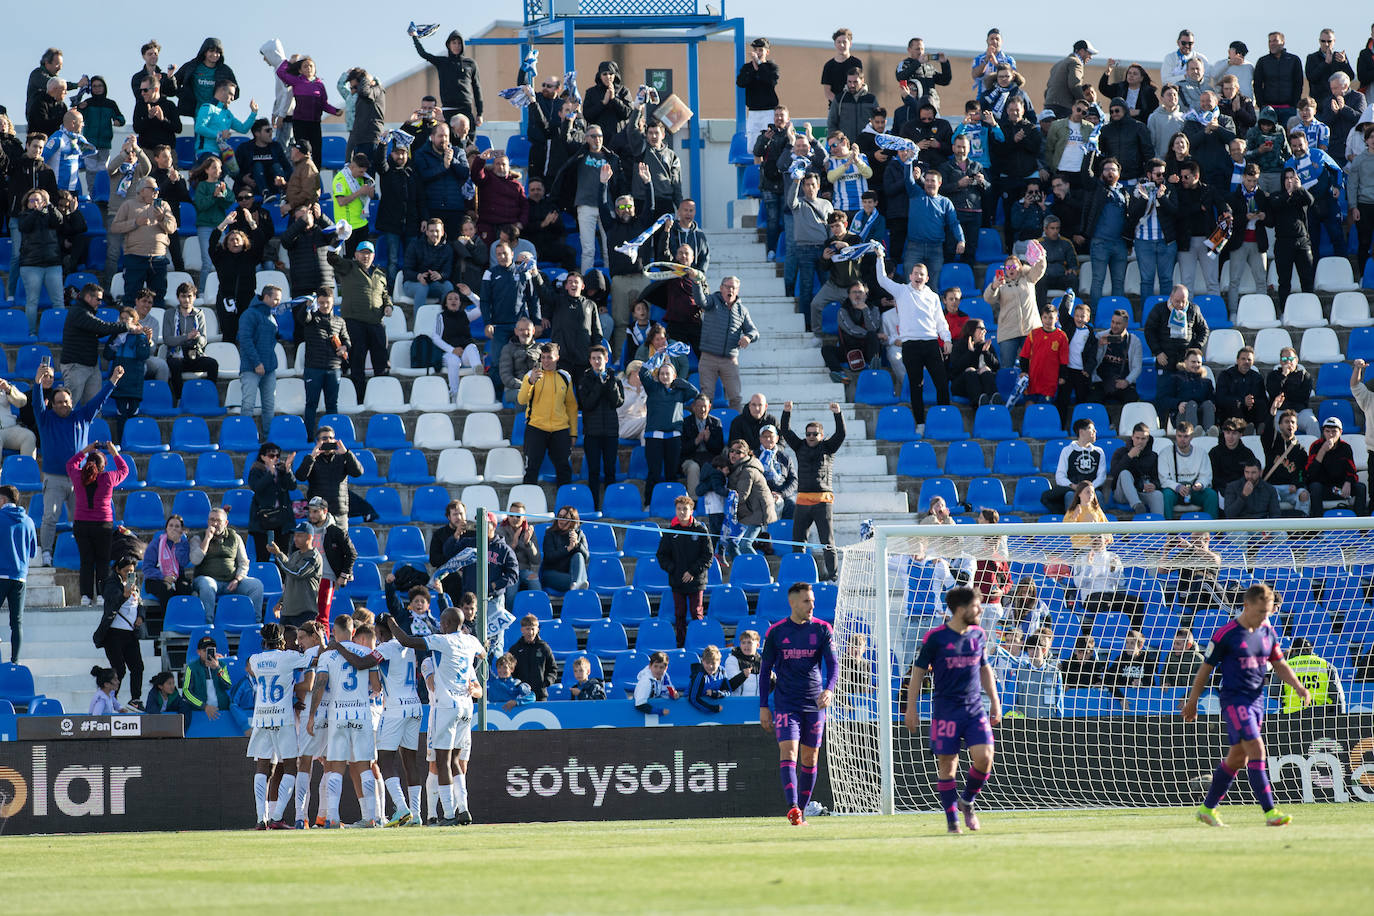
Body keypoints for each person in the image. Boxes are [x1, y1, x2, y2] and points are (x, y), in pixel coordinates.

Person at [1184, 583, 1309, 827]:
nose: (1266, 616)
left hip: (1256, 700)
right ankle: (1270, 813)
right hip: (1233, 700)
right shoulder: (1226, 634)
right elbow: (1205, 670)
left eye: (1269, 611)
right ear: (1246, 605)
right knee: (1257, 750)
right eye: (1261, 611)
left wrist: (1298, 686)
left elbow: (1280, 664)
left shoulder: (1268, 632)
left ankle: (1206, 809)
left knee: (1237, 759)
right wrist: (1193, 701)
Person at [902, 587, 999, 834]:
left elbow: (984, 668)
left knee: (985, 758)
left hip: (975, 708)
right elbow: (918, 673)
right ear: (961, 609)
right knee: (947, 766)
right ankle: (952, 820)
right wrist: (910, 707)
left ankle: (966, 800)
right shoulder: (935, 638)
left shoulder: (978, 634)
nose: (980, 610)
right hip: (946, 710)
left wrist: (995, 701)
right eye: (976, 606)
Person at [759, 583, 838, 826]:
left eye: (812, 601)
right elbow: (764, 671)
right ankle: (793, 807)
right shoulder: (776, 632)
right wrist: (764, 705)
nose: (811, 605)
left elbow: (833, 664)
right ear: (792, 603)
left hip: (814, 703)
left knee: (810, 757)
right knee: (789, 752)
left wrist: (829, 689)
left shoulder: (823, 629)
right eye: (806, 601)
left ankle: (801, 811)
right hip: (786, 703)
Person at [307, 616, 384, 828]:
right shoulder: (367, 652)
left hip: (338, 714)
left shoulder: (328, 655)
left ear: (334, 630)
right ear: (353, 631)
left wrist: (312, 716)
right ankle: (370, 817)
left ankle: (332, 817)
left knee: (336, 767)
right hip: (361, 713)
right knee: (364, 767)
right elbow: (376, 687)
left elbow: (319, 686)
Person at [243, 622, 310, 828]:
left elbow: (249, 668)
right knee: (291, 766)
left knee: (263, 766)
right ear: (281, 641)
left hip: (262, 718)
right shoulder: (287, 657)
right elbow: (310, 658)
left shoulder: (255, 659)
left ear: (263, 641)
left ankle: (260, 818)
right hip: (283, 718)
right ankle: (277, 816)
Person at [874, 251, 949, 433]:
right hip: (910, 345)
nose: (918, 276)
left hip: (931, 343)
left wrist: (947, 339)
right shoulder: (901, 291)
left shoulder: (933, 296)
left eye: (921, 274)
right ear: (910, 276)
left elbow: (940, 320)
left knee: (941, 382)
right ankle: (920, 424)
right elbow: (882, 279)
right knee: (916, 385)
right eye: (915, 273)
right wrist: (880, 257)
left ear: (927, 277)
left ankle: (945, 420)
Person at [779, 402, 845, 581]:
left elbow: (841, 434)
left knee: (827, 542)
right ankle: (799, 574)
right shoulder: (800, 446)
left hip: (822, 501)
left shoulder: (828, 448)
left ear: (822, 435)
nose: (810, 436)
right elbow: (785, 430)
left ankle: (833, 575)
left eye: (815, 434)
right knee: (797, 542)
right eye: (808, 433)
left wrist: (837, 414)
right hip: (802, 501)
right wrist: (787, 411)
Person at [328, 241, 392, 400]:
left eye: (369, 253)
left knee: (381, 363)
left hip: (376, 323)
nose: (366, 256)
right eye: (362, 253)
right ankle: (360, 399)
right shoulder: (348, 267)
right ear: (356, 255)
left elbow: (385, 294)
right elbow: (332, 258)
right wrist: (338, 239)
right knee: (357, 362)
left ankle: (381, 398)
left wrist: (389, 305)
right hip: (354, 323)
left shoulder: (380, 274)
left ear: (373, 255)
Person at [67, 441, 128, 607]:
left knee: (86, 561)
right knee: (102, 561)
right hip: (103, 525)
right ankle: (101, 595)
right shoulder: (108, 478)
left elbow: (70, 463)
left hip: (81, 524)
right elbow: (124, 470)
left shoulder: (79, 476)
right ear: (103, 467)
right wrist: (114, 452)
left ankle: (85, 597)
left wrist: (86, 450)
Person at [654, 492, 713, 647]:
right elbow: (661, 555)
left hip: (696, 581)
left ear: (691, 511)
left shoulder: (700, 530)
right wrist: (674, 569)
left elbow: (708, 556)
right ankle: (681, 644)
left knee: (696, 614)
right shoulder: (670, 532)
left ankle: (699, 644)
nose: (682, 512)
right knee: (679, 615)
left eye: (685, 509)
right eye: (679, 509)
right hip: (677, 580)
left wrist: (692, 572)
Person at [639, 349, 700, 500]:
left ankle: (673, 502)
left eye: (668, 374)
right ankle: (649, 502)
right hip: (654, 437)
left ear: (674, 376)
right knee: (654, 471)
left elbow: (694, 392)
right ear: (658, 376)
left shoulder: (679, 391)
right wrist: (657, 357)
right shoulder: (653, 388)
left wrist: (679, 381)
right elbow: (643, 373)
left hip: (673, 437)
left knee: (671, 472)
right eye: (662, 373)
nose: (665, 376)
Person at [190, 507, 265, 624]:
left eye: (218, 520)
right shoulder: (198, 537)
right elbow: (195, 560)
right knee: (207, 585)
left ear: (225, 523)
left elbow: (244, 563)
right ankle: (208, 624)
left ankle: (255, 623)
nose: (214, 523)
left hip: (232, 582)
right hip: (208, 580)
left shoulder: (235, 537)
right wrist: (207, 539)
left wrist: (237, 579)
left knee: (256, 585)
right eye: (211, 520)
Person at [519, 342, 579, 487]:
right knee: (531, 468)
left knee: (564, 468)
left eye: (549, 357)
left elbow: (571, 405)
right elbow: (521, 400)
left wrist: (573, 433)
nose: (546, 361)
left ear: (557, 358)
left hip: (560, 429)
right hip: (536, 427)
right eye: (543, 357)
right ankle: (528, 505)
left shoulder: (565, 377)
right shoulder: (531, 375)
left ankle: (565, 507)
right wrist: (530, 382)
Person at [698, 277, 758, 411]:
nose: (730, 290)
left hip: (730, 361)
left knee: (735, 397)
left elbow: (754, 331)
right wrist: (696, 283)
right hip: (709, 358)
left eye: (734, 288)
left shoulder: (742, 310)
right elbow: (700, 300)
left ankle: (737, 429)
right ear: (721, 288)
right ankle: (706, 428)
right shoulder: (712, 301)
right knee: (706, 397)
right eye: (727, 287)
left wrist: (748, 337)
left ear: (737, 291)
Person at [982, 251, 1047, 368]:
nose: (1010, 269)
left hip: (1030, 330)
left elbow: (1040, 269)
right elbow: (988, 299)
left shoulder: (1028, 277)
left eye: (1013, 266)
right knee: (1007, 367)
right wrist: (994, 286)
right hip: (1008, 333)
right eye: (1008, 267)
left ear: (1020, 268)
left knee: (1035, 366)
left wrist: (1041, 256)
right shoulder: (1000, 282)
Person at [299, 496, 356, 625]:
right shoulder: (304, 530)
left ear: (325, 511)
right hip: (305, 578)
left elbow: (352, 553)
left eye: (315, 511)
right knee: (305, 618)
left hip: (326, 577)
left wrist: (343, 574)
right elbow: (294, 553)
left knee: (322, 617)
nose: (311, 515)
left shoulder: (336, 531)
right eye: (310, 511)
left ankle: (322, 644)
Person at [0, 485, 38, 663]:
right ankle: (15, 660)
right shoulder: (29, 521)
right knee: (17, 622)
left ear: (2, 500)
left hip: (0, 574)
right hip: (20, 577)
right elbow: (32, 553)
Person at [297, 426, 364, 523]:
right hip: (318, 512)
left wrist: (346, 453)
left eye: (331, 438)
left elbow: (358, 473)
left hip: (339, 511)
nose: (328, 441)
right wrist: (312, 457)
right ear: (318, 442)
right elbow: (300, 477)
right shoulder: (311, 459)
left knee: (341, 538)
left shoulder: (343, 457)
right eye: (324, 438)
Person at [725, 440, 777, 559]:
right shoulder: (739, 468)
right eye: (732, 451)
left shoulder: (747, 471)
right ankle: (745, 570)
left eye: (738, 452)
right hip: (750, 512)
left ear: (747, 454)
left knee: (745, 545)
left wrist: (725, 493)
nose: (733, 454)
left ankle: (763, 574)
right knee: (734, 544)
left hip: (757, 512)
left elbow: (742, 496)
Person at [1307, 416, 1367, 516]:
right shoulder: (1316, 446)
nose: (1330, 435)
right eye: (1327, 431)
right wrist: (1322, 451)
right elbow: (1310, 473)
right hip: (1323, 488)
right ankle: (1317, 526)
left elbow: (1352, 471)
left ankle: (1360, 525)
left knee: (1361, 487)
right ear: (1323, 432)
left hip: (1341, 488)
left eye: (1334, 431)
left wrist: (1348, 482)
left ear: (1340, 432)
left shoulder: (1345, 447)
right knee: (1315, 487)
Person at [246, 442, 297, 561]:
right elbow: (257, 487)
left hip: (282, 518)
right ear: (262, 456)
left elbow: (292, 486)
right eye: (271, 456)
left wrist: (288, 470)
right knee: (263, 555)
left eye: (277, 456)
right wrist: (270, 473)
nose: (274, 458)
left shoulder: (282, 470)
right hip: (263, 519)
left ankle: (283, 579)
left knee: (282, 555)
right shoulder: (256, 470)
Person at [1143, 284, 1209, 374]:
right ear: (1171, 296)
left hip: (1186, 362)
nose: (1180, 305)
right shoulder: (1159, 309)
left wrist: (1195, 349)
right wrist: (1157, 352)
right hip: (1165, 359)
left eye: (1184, 301)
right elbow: (1149, 331)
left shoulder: (1193, 309)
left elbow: (1204, 330)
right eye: (1177, 301)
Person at [267, 523, 322, 629]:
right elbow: (289, 582)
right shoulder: (295, 555)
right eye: (295, 535)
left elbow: (296, 572)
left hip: (304, 612)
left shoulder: (313, 557)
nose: (295, 539)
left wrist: (278, 554)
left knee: (303, 644)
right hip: (288, 612)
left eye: (299, 536)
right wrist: (281, 602)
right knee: (283, 644)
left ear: (310, 537)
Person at [1160, 421, 1219, 517]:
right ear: (1176, 435)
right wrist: (1177, 487)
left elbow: (1206, 475)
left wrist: (1200, 484)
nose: (1182, 440)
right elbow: (1164, 479)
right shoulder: (1165, 453)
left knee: (1211, 495)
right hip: (1174, 490)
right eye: (1179, 436)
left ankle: (1211, 530)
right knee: (1166, 495)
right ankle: (1168, 530)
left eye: (1186, 436)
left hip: (1194, 490)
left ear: (1192, 436)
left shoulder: (1201, 453)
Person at [1110, 423, 1165, 515]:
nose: (1140, 441)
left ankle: (1159, 527)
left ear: (1148, 439)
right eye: (1137, 438)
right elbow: (1114, 473)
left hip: (1142, 492)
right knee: (1125, 473)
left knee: (1157, 495)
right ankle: (1137, 506)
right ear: (1132, 437)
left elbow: (1158, 478)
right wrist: (1129, 456)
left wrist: (1154, 485)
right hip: (1122, 493)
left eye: (1143, 438)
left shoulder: (1153, 456)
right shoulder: (1120, 452)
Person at [1281, 637, 1346, 713]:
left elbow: (1274, 691)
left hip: (1292, 714)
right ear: (1311, 650)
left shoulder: (1284, 666)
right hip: (1320, 714)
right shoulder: (1325, 665)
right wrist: (1341, 717)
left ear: (1293, 650)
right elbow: (1337, 695)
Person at [679, 396, 724, 502]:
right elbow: (682, 449)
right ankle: (694, 501)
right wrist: (696, 441)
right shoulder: (685, 423)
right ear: (693, 407)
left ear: (709, 407)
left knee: (714, 467)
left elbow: (719, 449)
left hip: (709, 458)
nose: (702, 409)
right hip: (690, 458)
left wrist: (708, 440)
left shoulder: (716, 423)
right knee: (693, 468)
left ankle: (716, 500)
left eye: (704, 406)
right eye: (699, 406)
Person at [1093, 309, 1142, 403]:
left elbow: (1137, 367)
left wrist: (1127, 381)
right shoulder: (1101, 336)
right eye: (1113, 322)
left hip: (1123, 381)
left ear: (1126, 325)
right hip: (1102, 381)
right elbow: (1094, 361)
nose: (1114, 326)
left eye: (1118, 323)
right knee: (1092, 401)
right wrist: (1099, 346)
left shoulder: (1135, 341)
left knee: (1132, 401)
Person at [1216, 346, 1269, 433]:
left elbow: (1262, 397)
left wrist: (1252, 401)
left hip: (1251, 411)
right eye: (1243, 359)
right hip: (1232, 412)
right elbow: (1220, 398)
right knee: (1236, 404)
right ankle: (1242, 429)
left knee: (1262, 404)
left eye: (1249, 360)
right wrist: (1242, 400)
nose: (1246, 362)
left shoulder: (1257, 377)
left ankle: (1261, 430)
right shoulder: (1226, 375)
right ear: (1237, 360)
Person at [182, 633, 232, 720]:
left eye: (212, 650)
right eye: (205, 650)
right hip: (200, 712)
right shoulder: (191, 668)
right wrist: (204, 706)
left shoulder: (222, 665)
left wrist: (218, 669)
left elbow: (227, 685)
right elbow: (186, 692)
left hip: (222, 711)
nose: (208, 653)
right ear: (198, 652)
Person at [539, 507, 589, 593]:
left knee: (579, 555)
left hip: (571, 572)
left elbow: (586, 557)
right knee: (581, 581)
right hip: (553, 573)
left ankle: (575, 585)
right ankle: (577, 585)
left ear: (573, 521)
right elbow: (549, 558)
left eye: (565, 518)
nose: (561, 520)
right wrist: (568, 549)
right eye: (559, 516)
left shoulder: (579, 534)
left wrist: (577, 544)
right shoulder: (550, 533)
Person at [509, 615, 557, 702]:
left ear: (537, 630)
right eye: (527, 629)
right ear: (522, 630)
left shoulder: (544, 647)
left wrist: (545, 682)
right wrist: (517, 685)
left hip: (540, 695)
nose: (530, 632)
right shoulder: (514, 649)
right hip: (520, 696)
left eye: (533, 629)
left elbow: (553, 669)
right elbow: (510, 670)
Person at [724, 629, 763, 697]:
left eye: (749, 642)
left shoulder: (762, 661)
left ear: (757, 645)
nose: (746, 645)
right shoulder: (732, 659)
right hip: (739, 703)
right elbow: (729, 686)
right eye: (743, 643)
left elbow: (770, 689)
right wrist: (742, 675)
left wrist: (772, 678)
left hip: (758, 703)